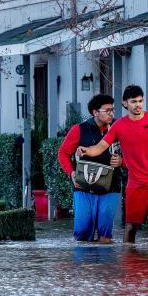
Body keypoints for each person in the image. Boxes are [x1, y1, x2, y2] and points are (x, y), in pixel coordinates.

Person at [80, 85, 148, 243]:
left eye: (140, 101)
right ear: (125, 103)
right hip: (136, 183)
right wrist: (86, 151)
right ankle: (130, 260)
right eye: (134, 101)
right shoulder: (119, 126)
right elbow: (100, 147)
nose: (138, 104)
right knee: (131, 227)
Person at [58, 94, 123, 243]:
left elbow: (133, 154)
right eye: (107, 110)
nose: (111, 114)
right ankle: (83, 266)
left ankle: (105, 265)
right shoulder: (78, 129)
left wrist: (122, 161)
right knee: (81, 234)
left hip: (110, 188)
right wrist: (71, 173)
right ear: (95, 112)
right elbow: (62, 153)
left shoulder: (119, 128)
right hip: (83, 188)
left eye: (112, 110)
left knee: (105, 236)